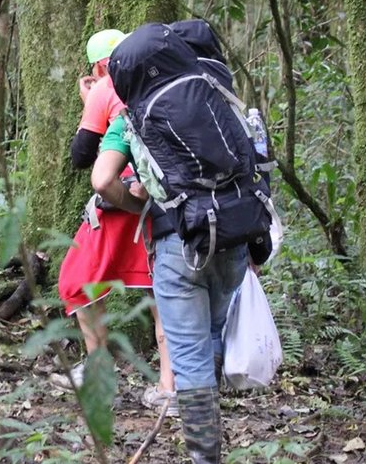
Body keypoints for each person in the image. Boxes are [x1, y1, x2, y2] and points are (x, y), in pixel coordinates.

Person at [93, 30, 249, 463]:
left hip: (178, 244)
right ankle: (211, 431)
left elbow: (102, 181)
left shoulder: (132, 115)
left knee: (190, 360)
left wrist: (134, 202)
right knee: (213, 339)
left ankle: (204, 456)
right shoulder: (219, 97)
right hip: (232, 240)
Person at [56, 29, 176, 416]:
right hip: (166, 206)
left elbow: (80, 156)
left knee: (76, 279)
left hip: (122, 203)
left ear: (100, 65)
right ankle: (170, 388)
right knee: (161, 295)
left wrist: (89, 101)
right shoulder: (164, 81)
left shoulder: (107, 88)